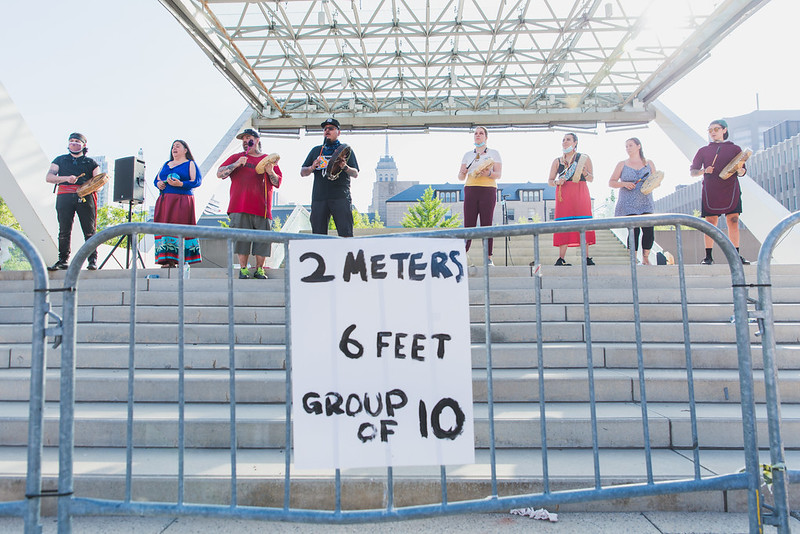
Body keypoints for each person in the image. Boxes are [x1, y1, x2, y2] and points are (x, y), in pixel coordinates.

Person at [217, 128, 282, 279]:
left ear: (257, 140)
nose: (246, 141)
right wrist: (235, 165)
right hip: (239, 206)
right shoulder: (236, 157)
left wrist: (270, 171)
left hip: (262, 207)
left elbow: (278, 182)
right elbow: (219, 173)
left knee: (262, 241)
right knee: (241, 240)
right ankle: (243, 269)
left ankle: (259, 269)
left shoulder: (268, 159)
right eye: (243, 139)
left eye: (249, 138)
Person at [690, 119, 749, 265]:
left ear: (724, 130)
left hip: (731, 187)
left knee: (733, 220)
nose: (712, 133)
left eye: (716, 129)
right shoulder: (703, 151)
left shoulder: (735, 149)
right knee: (710, 221)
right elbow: (693, 171)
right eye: (710, 130)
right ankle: (708, 256)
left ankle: (736, 255)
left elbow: (742, 170)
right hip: (711, 189)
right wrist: (704, 171)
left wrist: (740, 170)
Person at [45, 132, 103, 271]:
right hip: (64, 195)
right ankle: (63, 260)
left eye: (77, 141)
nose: (74, 143)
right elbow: (49, 177)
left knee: (89, 230)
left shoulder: (91, 163)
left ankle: (92, 260)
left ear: (84, 144)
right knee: (64, 230)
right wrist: (66, 178)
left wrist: (88, 187)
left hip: (85, 196)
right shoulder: (60, 160)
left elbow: (99, 183)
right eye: (71, 140)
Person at [300, 118, 360, 236]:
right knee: (318, 235)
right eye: (325, 129)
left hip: (341, 197)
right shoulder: (316, 150)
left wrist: (344, 166)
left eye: (331, 129)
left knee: (346, 233)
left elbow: (355, 173)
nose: (327, 131)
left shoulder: (345, 150)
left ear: (338, 132)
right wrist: (312, 167)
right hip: (319, 198)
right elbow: (302, 172)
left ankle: (347, 255)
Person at [548, 133, 595, 266]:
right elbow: (550, 181)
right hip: (564, 195)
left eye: (568, 139)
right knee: (564, 225)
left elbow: (591, 178)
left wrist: (584, 172)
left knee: (583, 223)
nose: (565, 142)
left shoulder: (584, 158)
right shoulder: (557, 161)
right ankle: (561, 258)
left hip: (580, 192)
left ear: (575, 143)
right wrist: (557, 182)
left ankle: (586, 257)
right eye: (563, 140)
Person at [153, 140, 203, 268]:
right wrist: (158, 184)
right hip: (165, 201)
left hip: (182, 201)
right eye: (173, 147)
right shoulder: (166, 164)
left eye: (178, 146)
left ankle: (181, 258)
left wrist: (181, 184)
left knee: (179, 225)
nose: (174, 148)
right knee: (165, 227)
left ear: (185, 150)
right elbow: (156, 179)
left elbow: (196, 181)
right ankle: (166, 259)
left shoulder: (190, 163)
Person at [457, 126, 502, 266]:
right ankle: (462, 255)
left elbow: (498, 175)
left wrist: (488, 173)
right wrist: (463, 172)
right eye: (476, 133)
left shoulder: (494, 153)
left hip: (488, 189)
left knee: (486, 223)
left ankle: (488, 257)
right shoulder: (468, 155)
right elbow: (460, 177)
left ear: (486, 137)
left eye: (481, 133)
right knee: (468, 223)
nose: (478, 135)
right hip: (471, 188)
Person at [609, 138, 657, 265]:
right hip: (628, 202)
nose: (628, 148)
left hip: (645, 200)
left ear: (638, 146)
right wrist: (624, 184)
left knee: (648, 230)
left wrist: (651, 185)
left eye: (630, 145)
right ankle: (633, 259)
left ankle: (646, 258)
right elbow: (611, 182)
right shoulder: (622, 164)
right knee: (633, 230)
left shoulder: (649, 163)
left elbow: (656, 180)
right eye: (626, 146)